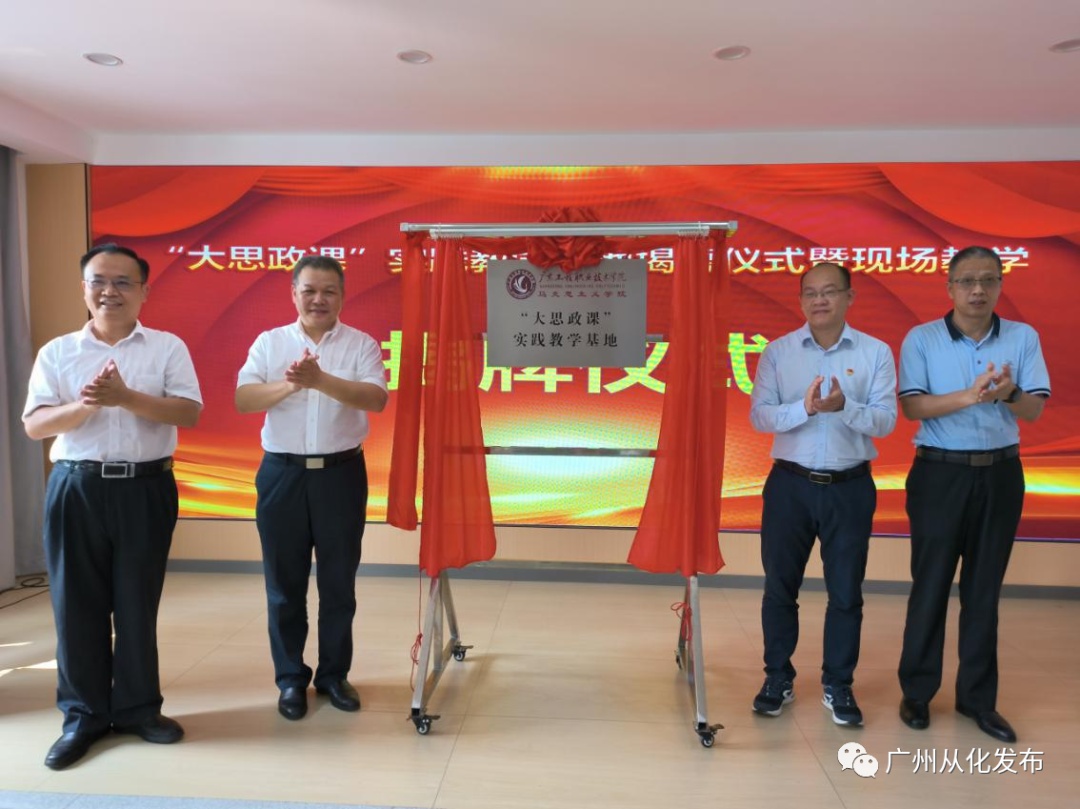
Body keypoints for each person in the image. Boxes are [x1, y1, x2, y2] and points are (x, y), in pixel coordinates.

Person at [22, 244, 203, 770]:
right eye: (99, 280)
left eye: (124, 282)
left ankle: (139, 710)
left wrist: (126, 397)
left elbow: (188, 412)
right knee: (75, 606)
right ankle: (82, 717)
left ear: (145, 291)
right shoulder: (58, 352)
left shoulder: (166, 347)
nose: (110, 291)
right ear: (83, 289)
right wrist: (86, 405)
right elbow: (35, 425)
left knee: (136, 605)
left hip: (145, 488)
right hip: (76, 488)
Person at [897, 246, 1050, 743]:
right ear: (950, 287)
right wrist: (972, 394)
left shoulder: (1023, 337)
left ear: (1001, 285)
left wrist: (1008, 393)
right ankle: (917, 692)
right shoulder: (922, 339)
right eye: (967, 281)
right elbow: (913, 408)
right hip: (939, 475)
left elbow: (1033, 411)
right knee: (931, 585)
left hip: (1001, 475)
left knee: (984, 590)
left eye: (988, 280)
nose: (977, 290)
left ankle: (978, 700)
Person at [236, 254, 388, 721]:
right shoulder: (270, 343)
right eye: (309, 291)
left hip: (341, 475)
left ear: (342, 296)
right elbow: (244, 399)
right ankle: (290, 679)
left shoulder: (361, 344)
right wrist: (292, 386)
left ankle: (334, 675)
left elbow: (376, 398)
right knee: (284, 585)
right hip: (282, 474)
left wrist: (320, 380)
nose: (318, 299)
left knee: (338, 583)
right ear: (294, 294)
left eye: (329, 291)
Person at [749, 261, 897, 726]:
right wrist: (806, 408)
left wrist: (845, 407)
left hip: (849, 487)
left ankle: (839, 683)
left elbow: (885, 421)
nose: (820, 300)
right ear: (800, 301)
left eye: (830, 291)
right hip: (789, 486)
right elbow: (761, 416)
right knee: (779, 588)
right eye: (810, 293)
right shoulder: (779, 352)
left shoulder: (875, 352)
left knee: (846, 593)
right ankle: (777, 677)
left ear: (849, 298)